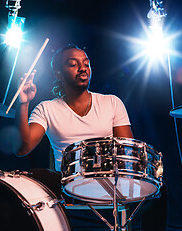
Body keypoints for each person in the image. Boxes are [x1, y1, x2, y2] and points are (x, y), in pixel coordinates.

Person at [16, 44, 166, 230]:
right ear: (58, 73)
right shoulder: (46, 108)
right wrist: (23, 103)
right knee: (31, 179)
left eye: (86, 63)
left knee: (158, 189)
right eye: (73, 64)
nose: (82, 68)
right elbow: (24, 148)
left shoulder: (111, 102)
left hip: (110, 178)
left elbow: (127, 152)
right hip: (66, 182)